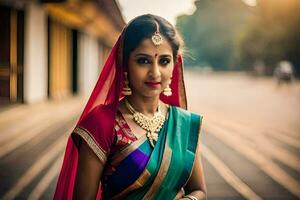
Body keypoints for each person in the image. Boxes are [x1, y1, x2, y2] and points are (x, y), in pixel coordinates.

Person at [54, 14, 207, 200]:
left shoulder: (184, 123)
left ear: (175, 64)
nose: (155, 72)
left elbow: (199, 191)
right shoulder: (103, 123)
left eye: (164, 61)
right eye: (143, 61)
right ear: (124, 64)